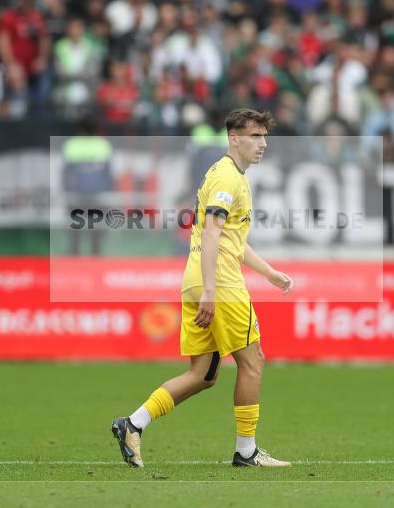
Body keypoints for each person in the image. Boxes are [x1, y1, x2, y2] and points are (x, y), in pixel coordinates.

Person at [112, 108, 294, 468]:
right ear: (234, 138)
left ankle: (132, 423)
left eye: (264, 137)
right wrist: (211, 291)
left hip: (196, 278)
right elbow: (211, 232)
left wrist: (269, 272)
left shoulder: (223, 173)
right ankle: (247, 452)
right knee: (253, 362)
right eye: (255, 136)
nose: (263, 144)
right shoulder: (228, 178)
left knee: (203, 375)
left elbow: (231, 240)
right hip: (219, 283)